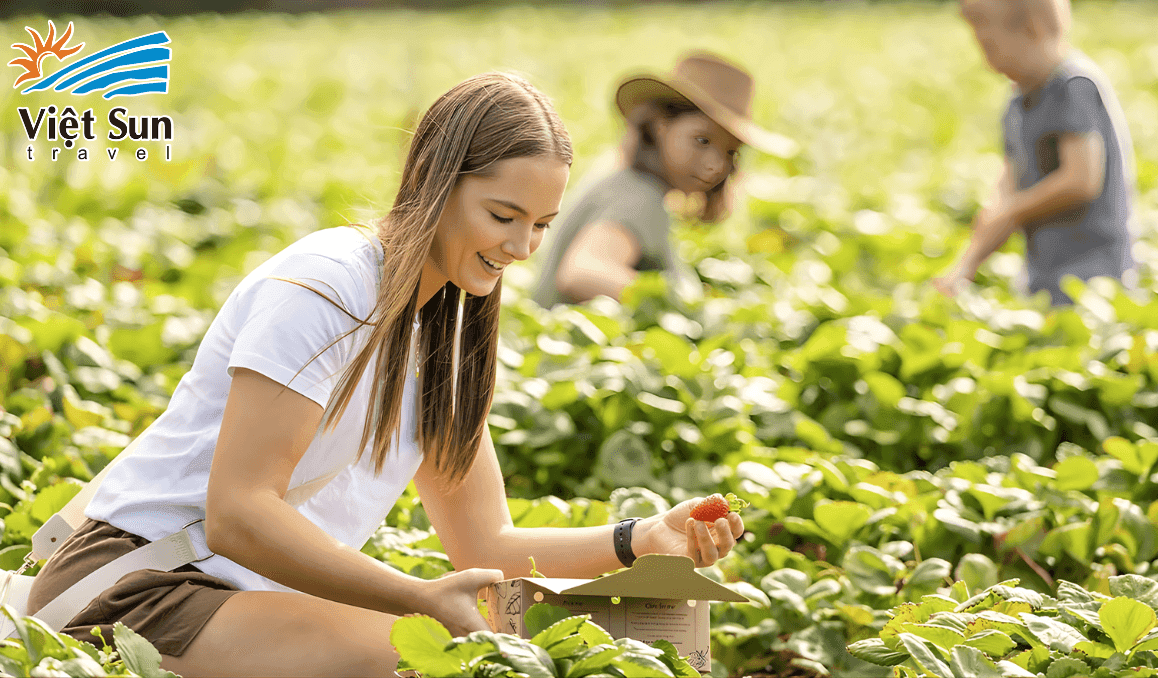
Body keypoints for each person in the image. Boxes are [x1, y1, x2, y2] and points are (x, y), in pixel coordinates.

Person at [27, 72, 743, 678]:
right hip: (133, 587)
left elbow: (485, 544)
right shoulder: (330, 284)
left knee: (494, 650)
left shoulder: (446, 338)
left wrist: (639, 539)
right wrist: (416, 597)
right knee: (440, 659)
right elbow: (239, 512)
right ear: (438, 182)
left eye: (543, 225)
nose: (522, 247)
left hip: (234, 594)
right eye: (503, 215)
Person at [530, 52, 796, 308]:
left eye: (730, 152)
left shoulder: (625, 182)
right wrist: (687, 307)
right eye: (702, 140)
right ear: (660, 126)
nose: (716, 164)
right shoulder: (640, 196)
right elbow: (582, 273)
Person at [934, 0, 1138, 307]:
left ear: (1033, 29)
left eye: (990, 46)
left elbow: (1081, 179)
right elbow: (1008, 187)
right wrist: (965, 267)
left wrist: (1014, 210)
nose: (986, 59)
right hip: (1045, 276)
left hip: (1095, 278)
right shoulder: (1019, 101)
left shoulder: (1073, 86)